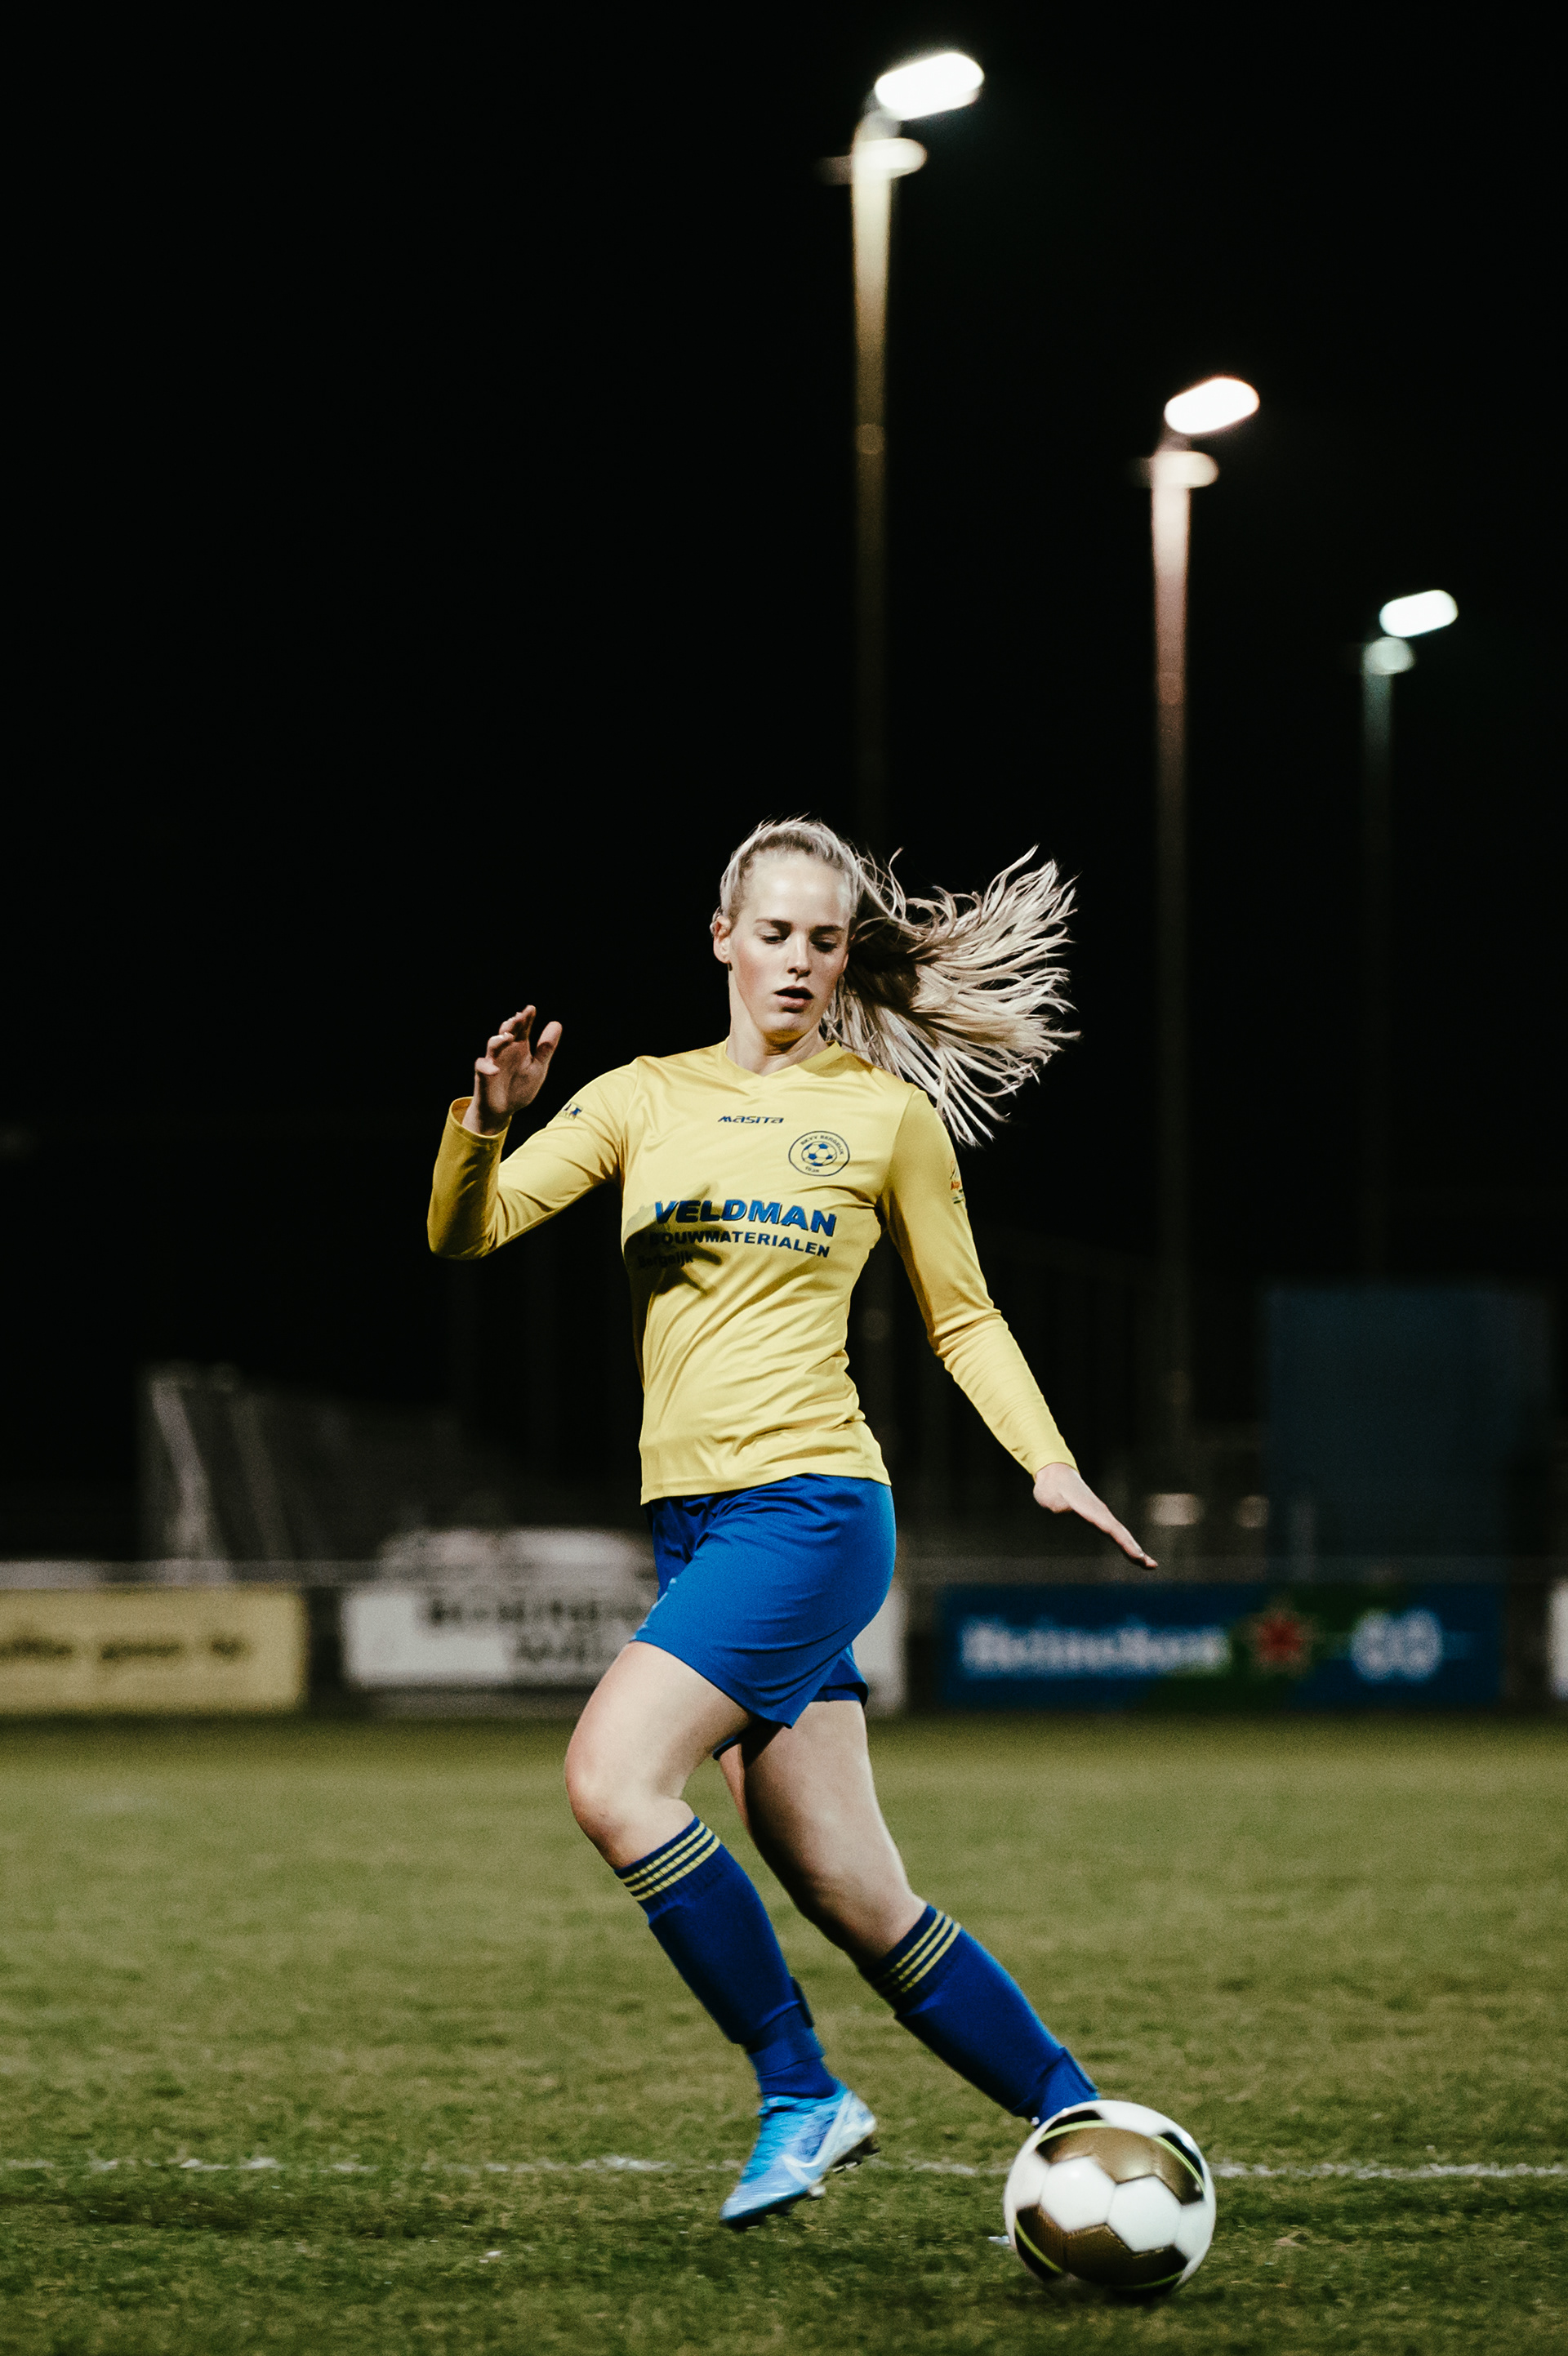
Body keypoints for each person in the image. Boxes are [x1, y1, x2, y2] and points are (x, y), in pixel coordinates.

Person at [428, 816, 1154, 2226]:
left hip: (811, 1507)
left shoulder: (885, 1115)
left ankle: (799, 2089)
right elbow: (471, 1228)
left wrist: (1047, 1459)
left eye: (824, 939)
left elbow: (965, 1315)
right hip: (699, 1525)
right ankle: (1092, 2124)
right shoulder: (641, 1097)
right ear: (723, 937)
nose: (800, 960)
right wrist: (487, 1118)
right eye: (774, 932)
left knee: (613, 1779)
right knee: (856, 1893)